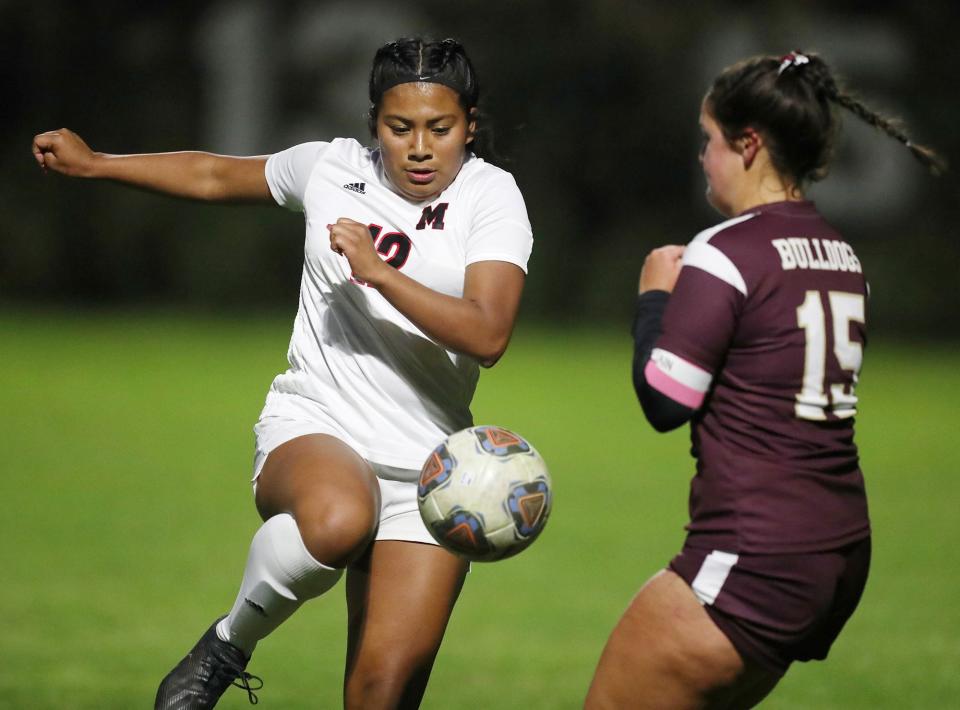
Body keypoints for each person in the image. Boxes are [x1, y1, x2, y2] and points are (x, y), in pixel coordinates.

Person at [33, 37, 533, 709]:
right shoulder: (329, 168)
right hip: (316, 427)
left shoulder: (491, 195)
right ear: (372, 125)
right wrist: (97, 165)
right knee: (336, 519)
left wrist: (379, 274)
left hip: (431, 471)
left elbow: (488, 331)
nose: (419, 147)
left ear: (469, 125)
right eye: (399, 127)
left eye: (439, 129)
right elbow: (213, 174)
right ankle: (226, 646)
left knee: (381, 694)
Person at [585, 51, 945, 709]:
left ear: (749, 145)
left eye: (710, 140)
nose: (703, 157)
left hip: (756, 553)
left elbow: (667, 402)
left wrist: (654, 301)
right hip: (834, 548)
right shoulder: (843, 256)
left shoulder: (725, 251)